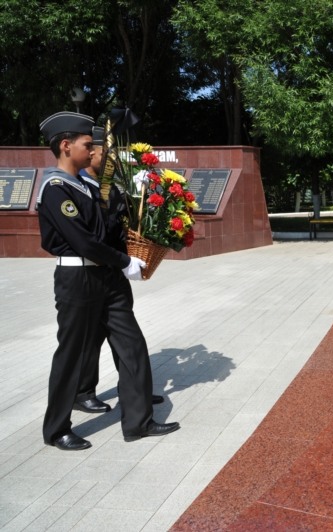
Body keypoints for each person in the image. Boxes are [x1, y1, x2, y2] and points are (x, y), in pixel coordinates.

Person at [36, 111, 179, 450]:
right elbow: (85, 242)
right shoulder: (55, 189)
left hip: (107, 277)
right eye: (88, 145)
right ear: (66, 146)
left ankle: (138, 422)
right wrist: (125, 261)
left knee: (131, 344)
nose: (92, 150)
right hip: (78, 278)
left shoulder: (85, 187)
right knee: (72, 354)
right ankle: (56, 430)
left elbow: (107, 231)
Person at [73, 126, 164, 414]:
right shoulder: (80, 186)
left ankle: (135, 391)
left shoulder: (110, 187)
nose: (111, 160)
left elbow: (124, 223)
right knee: (91, 337)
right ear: (91, 154)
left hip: (114, 271)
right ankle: (82, 391)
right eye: (106, 154)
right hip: (90, 273)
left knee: (124, 337)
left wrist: (141, 197)